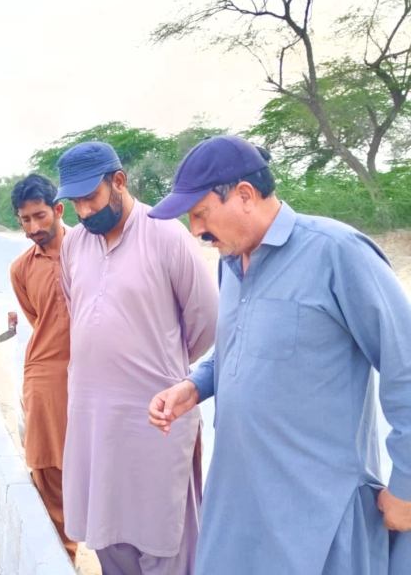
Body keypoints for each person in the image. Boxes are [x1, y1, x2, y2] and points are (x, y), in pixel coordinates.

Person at [147, 135, 411, 574]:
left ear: (245, 196)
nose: (195, 231)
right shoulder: (230, 264)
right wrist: (195, 385)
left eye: (200, 214)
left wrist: (405, 485)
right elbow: (241, 347)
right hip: (238, 508)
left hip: (317, 518)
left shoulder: (337, 252)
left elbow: (406, 365)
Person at [57, 141, 218, 574]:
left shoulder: (166, 234)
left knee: (166, 537)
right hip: (93, 417)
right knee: (107, 533)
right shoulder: (73, 245)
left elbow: (206, 321)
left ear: (119, 182)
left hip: (156, 419)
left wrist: (160, 362)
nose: (84, 212)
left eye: (90, 198)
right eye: (75, 203)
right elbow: (78, 312)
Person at [8, 174, 76, 563]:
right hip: (46, 373)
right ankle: (62, 560)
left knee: (101, 467)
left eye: (40, 216)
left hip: (98, 375)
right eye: (24, 220)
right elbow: (39, 320)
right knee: (49, 468)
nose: (33, 228)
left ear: (59, 210)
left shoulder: (92, 249)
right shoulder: (20, 269)